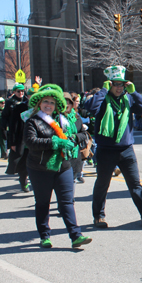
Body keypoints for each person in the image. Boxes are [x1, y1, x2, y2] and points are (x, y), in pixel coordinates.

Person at [84, 65, 142, 228]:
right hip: (106, 149)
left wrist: (134, 92)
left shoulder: (128, 98)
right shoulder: (102, 98)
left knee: (135, 185)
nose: (119, 88)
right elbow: (91, 109)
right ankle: (99, 216)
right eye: (115, 84)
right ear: (109, 84)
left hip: (126, 149)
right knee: (103, 184)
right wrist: (103, 92)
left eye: (122, 84)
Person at [23, 84, 92, 248]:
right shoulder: (32, 121)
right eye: (45, 101)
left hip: (63, 166)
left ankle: (76, 236)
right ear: (39, 103)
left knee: (67, 202)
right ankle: (44, 236)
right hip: (40, 169)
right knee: (42, 203)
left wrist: (71, 140)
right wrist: (55, 142)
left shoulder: (63, 121)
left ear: (56, 106)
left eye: (52, 103)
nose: (48, 105)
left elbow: (80, 134)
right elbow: (31, 142)